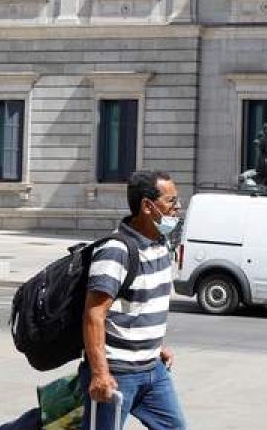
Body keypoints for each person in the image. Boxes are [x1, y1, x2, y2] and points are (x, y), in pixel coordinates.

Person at [81, 170, 187, 430]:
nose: (178, 207)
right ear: (148, 206)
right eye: (171, 201)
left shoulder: (161, 245)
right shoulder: (115, 251)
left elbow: (142, 304)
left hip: (154, 370)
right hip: (117, 372)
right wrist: (100, 373)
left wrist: (155, 344)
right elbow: (94, 314)